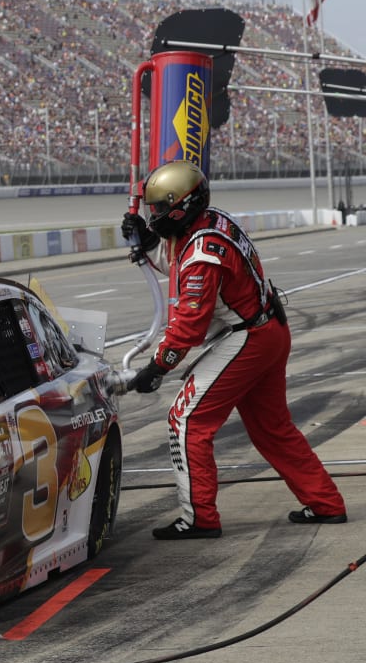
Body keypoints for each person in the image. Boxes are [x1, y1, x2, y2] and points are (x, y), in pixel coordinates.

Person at [121, 160, 347, 540]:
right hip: (268, 328)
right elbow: (182, 262)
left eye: (159, 209)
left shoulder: (202, 253)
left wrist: (157, 368)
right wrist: (147, 243)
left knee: (185, 421)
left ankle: (200, 518)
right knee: (273, 428)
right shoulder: (211, 222)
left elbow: (188, 326)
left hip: (249, 338)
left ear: (182, 206)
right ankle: (326, 502)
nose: (154, 216)